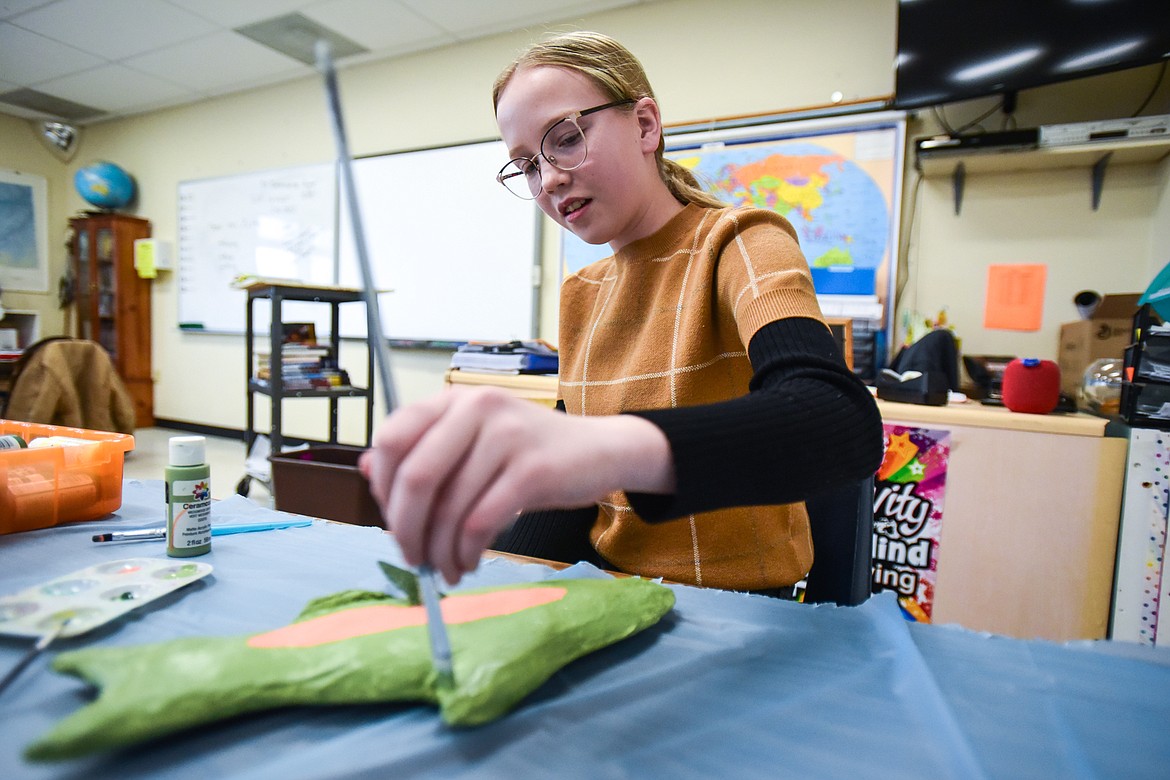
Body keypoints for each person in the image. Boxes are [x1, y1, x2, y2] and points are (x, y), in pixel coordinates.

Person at [360, 31, 883, 592]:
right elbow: (573, 493)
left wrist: (610, 450)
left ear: (645, 126)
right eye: (526, 166)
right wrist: (489, 576)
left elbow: (838, 420)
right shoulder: (582, 291)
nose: (549, 179)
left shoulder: (741, 244)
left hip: (738, 606)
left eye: (564, 139)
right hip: (612, 591)